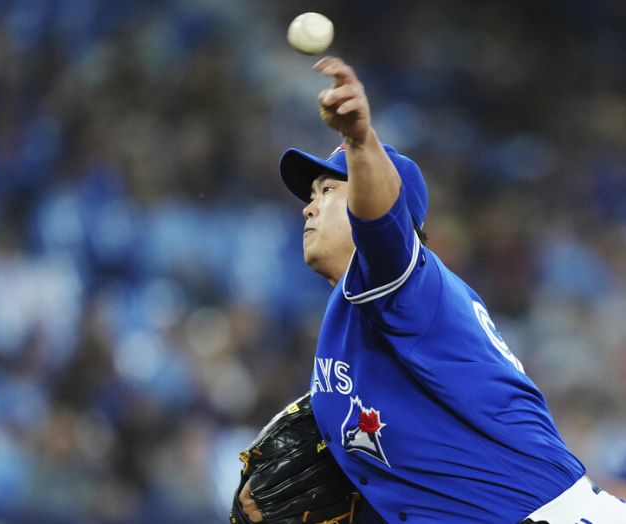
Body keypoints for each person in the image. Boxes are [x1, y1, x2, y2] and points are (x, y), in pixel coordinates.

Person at [239, 56, 626, 523]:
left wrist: (361, 143)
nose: (309, 207)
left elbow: (383, 226)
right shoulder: (355, 312)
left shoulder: (411, 288)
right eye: (311, 195)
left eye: (328, 191)